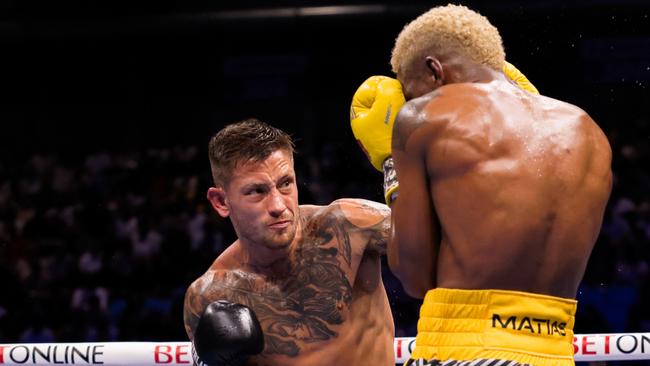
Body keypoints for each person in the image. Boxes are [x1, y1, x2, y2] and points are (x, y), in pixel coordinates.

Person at [350, 4, 612, 366]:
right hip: (555, 353)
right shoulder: (590, 133)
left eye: (413, 92)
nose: (413, 102)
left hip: (461, 349)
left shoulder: (423, 117)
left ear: (433, 70)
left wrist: (391, 162)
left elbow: (414, 277)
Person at [183, 118, 394, 366]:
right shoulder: (210, 295)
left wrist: (398, 164)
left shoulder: (348, 227)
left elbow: (442, 236)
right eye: (256, 192)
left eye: (285, 184)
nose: (278, 206)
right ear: (220, 201)